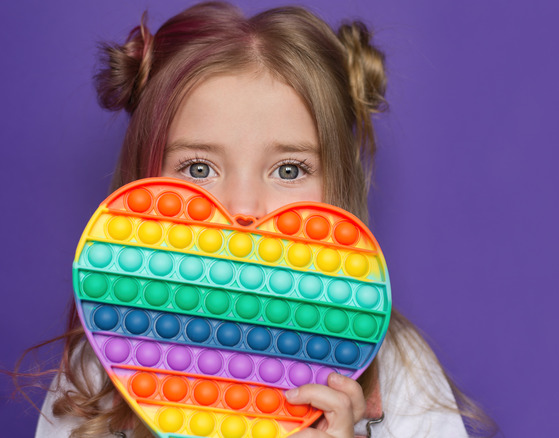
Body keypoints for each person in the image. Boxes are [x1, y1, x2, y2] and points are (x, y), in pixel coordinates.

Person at [32, 2, 494, 437]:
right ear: (147, 174)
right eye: (199, 168)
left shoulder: (399, 366)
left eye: (289, 170)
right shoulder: (95, 371)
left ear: (337, 180)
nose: (243, 207)